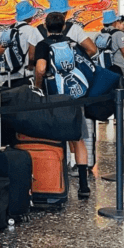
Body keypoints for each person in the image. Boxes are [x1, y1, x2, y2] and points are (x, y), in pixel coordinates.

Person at [33, 12, 91, 199]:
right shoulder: (72, 43)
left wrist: (37, 86)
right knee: (78, 137)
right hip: (75, 94)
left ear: (46, 26)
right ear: (64, 26)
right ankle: (83, 185)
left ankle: (58, 182)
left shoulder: (43, 45)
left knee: (56, 137)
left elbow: (41, 68)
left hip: (55, 96)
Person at [0, 1, 44, 87]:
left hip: (8, 74)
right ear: (29, 16)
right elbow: (32, 55)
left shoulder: (8, 30)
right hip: (24, 74)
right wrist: (30, 66)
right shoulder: (31, 31)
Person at [98, 10, 124, 85]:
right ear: (115, 22)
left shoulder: (101, 33)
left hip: (104, 66)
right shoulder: (119, 34)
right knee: (122, 90)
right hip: (118, 66)